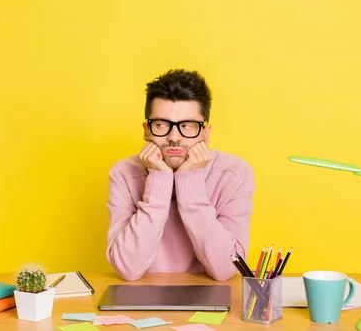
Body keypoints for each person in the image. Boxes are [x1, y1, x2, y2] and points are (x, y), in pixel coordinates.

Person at [106, 69, 255, 281]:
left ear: (206, 133)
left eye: (187, 126)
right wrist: (158, 179)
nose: (174, 137)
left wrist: (190, 182)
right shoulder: (123, 173)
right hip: (143, 299)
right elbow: (128, 269)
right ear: (146, 130)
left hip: (210, 298)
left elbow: (225, 269)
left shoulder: (235, 174)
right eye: (161, 125)